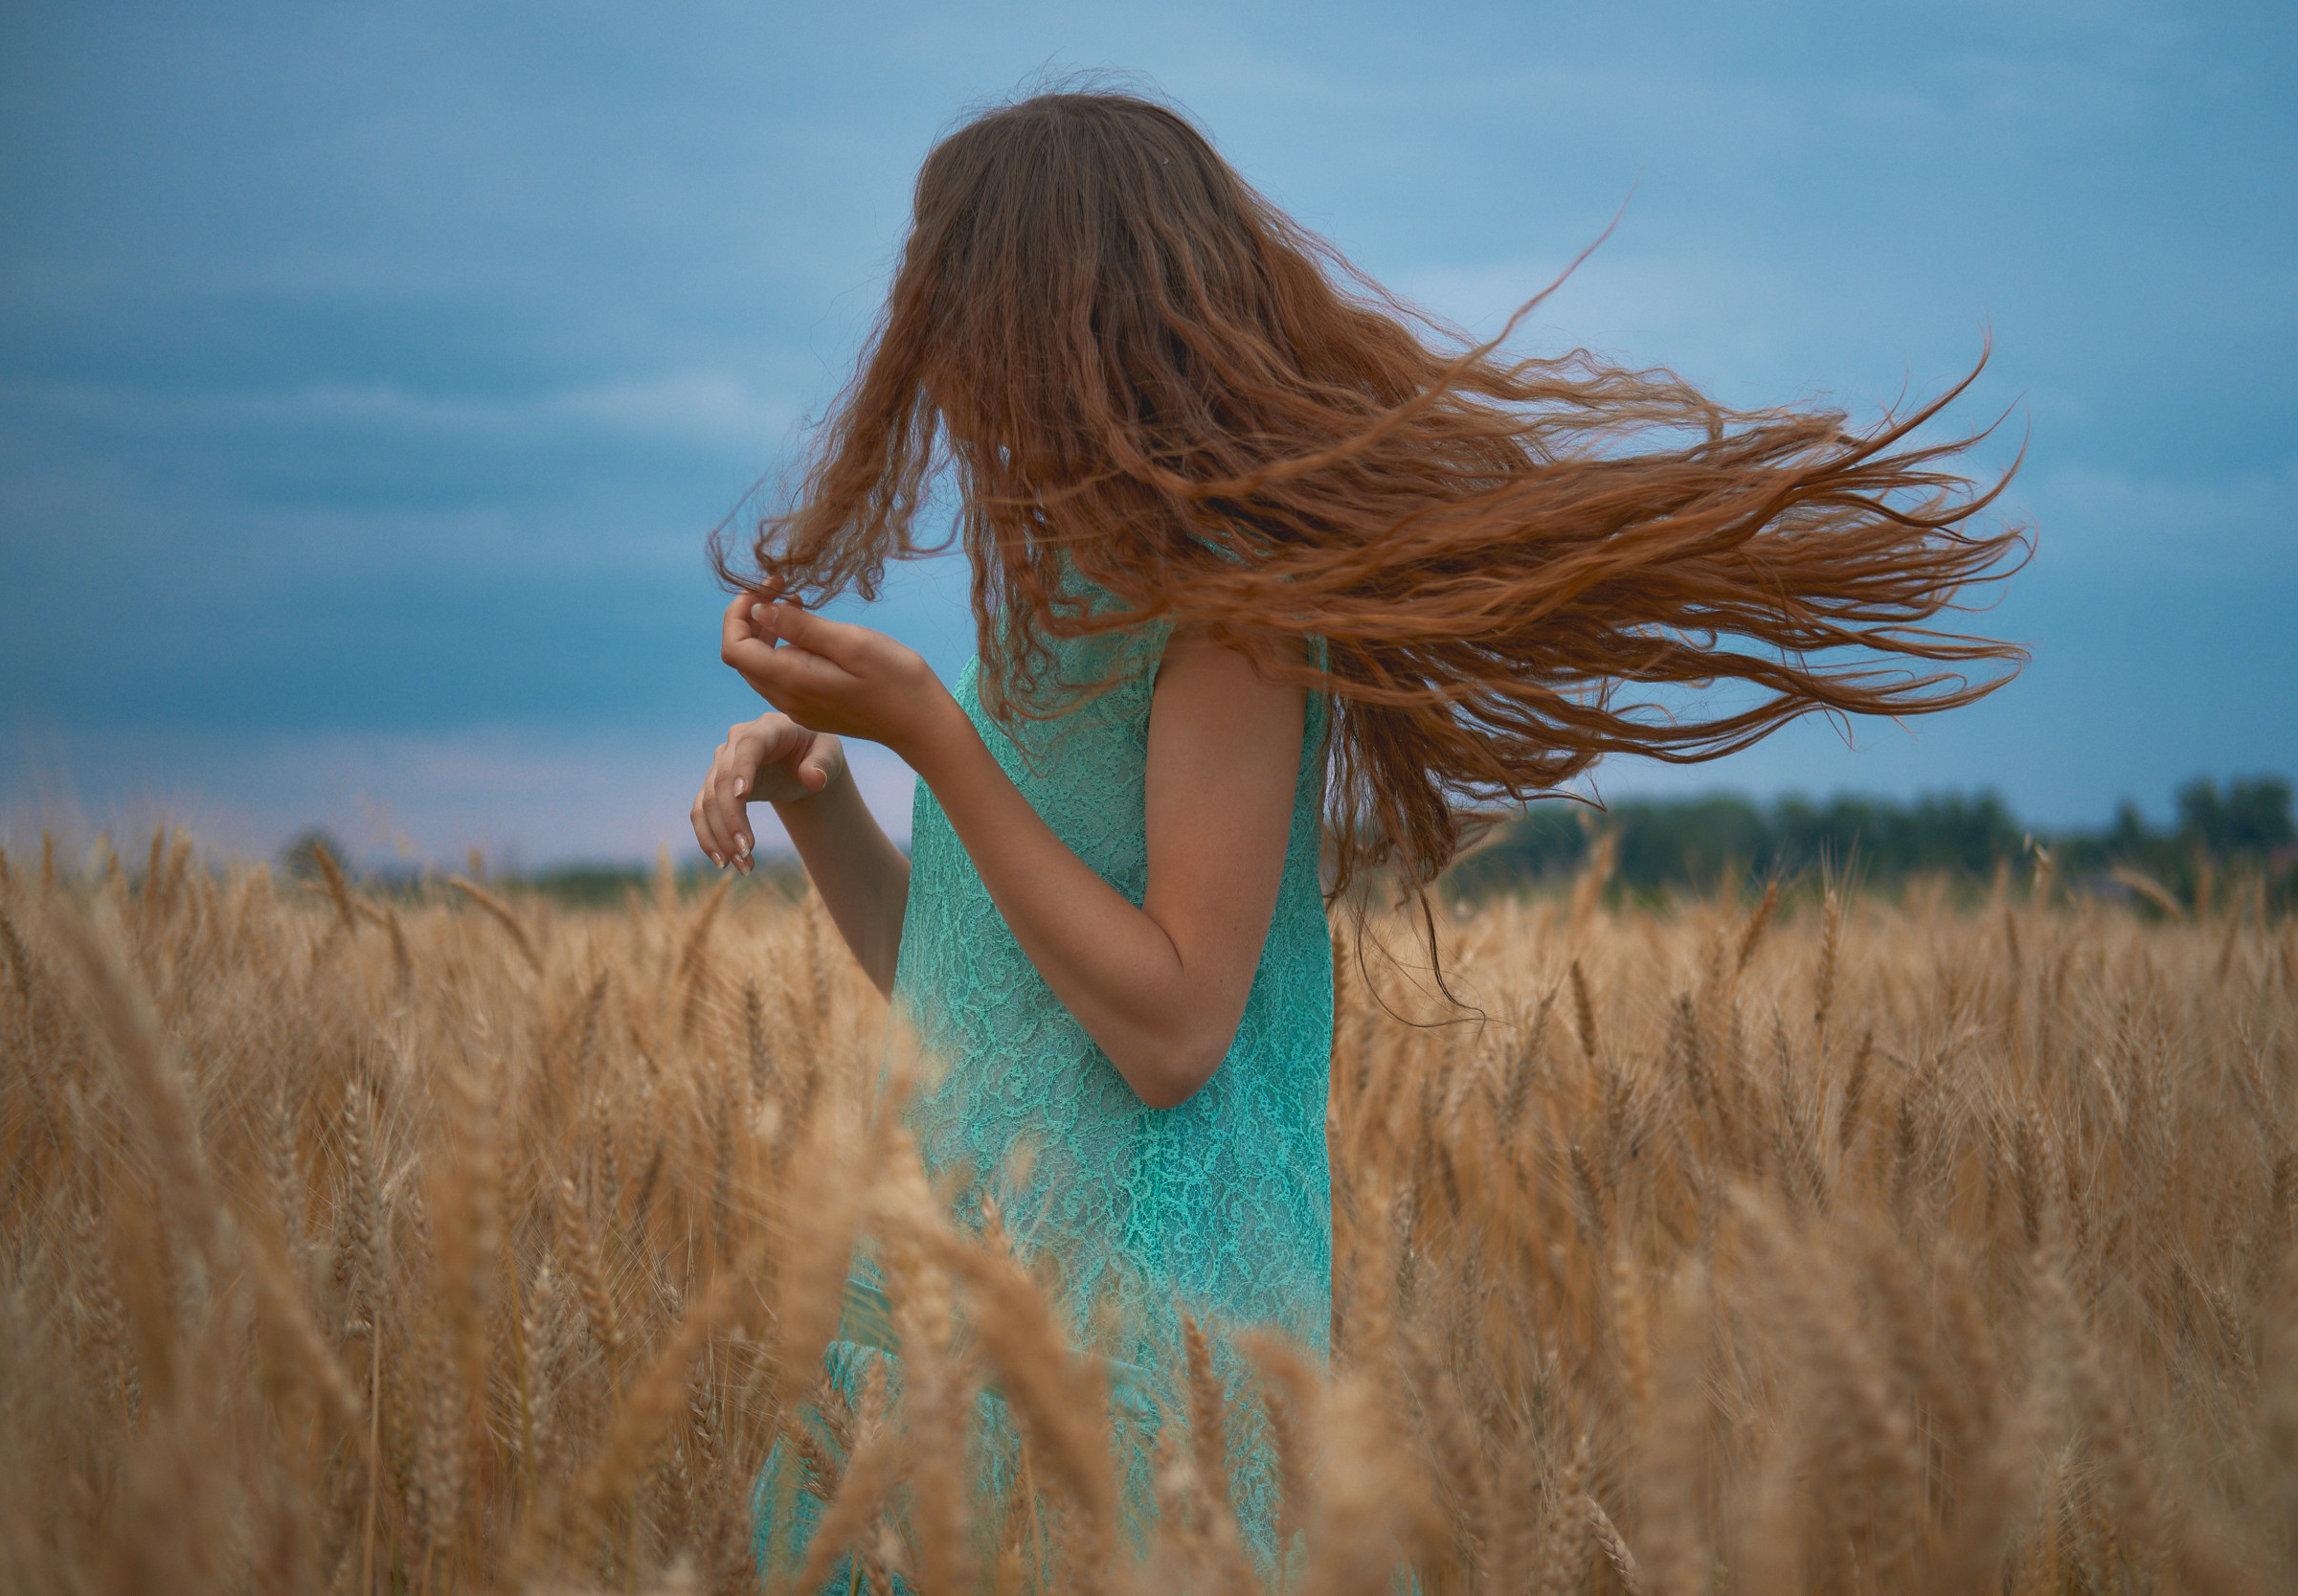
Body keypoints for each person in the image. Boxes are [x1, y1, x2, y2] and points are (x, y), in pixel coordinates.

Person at [687, 88, 2024, 1580]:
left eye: (956, 313)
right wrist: (831, 799)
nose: (932, 366)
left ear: (1057, 322)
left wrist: (933, 736)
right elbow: (975, 993)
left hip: (1144, 1346)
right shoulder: (1044, 611)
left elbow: (1174, 1025)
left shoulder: (1235, 619)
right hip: (960, 1320)